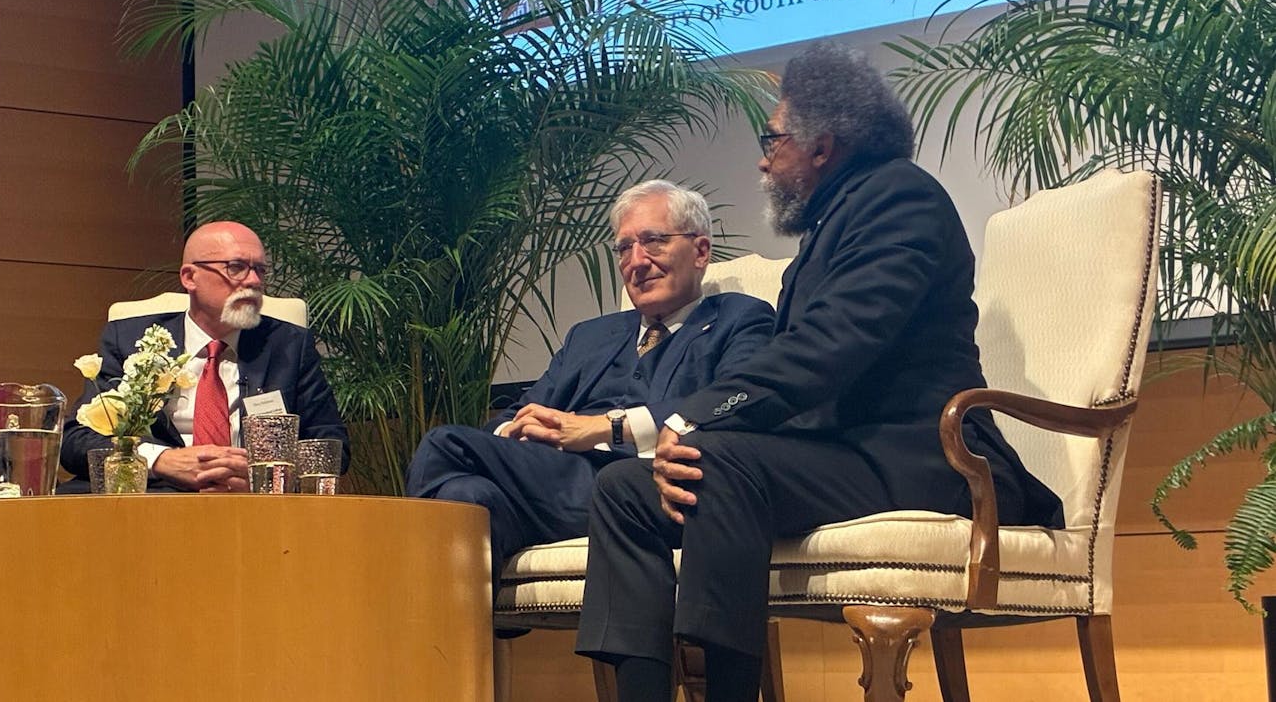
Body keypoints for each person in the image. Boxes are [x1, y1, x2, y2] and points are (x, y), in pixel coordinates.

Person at [574, 43, 1065, 701]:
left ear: (822, 146)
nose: (762, 159)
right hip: (843, 456)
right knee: (624, 490)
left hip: (922, 459)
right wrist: (698, 429)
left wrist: (693, 417)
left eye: (771, 140)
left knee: (713, 458)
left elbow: (831, 346)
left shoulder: (901, 198)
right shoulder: (832, 226)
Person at [405, 180, 776, 584]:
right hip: (551, 480)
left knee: (443, 444)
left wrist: (604, 427)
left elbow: (731, 401)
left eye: (653, 241)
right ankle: (440, 629)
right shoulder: (590, 336)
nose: (636, 261)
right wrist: (518, 431)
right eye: (624, 247)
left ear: (700, 251)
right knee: (466, 497)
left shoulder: (738, 318)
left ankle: (388, 617)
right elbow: (519, 412)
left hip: (642, 486)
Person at [61, 220, 347, 492]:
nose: (253, 281)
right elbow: (77, 439)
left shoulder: (288, 346)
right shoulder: (130, 340)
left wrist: (262, 475)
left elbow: (332, 446)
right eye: (236, 267)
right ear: (190, 277)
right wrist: (160, 460)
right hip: (152, 498)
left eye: (260, 270)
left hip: (253, 502)